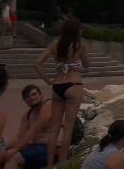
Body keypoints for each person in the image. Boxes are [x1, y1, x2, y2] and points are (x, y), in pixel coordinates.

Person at [36, 17, 90, 169]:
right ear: (76, 30)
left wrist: (47, 80)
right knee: (68, 127)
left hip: (57, 86)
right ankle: (62, 163)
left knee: (54, 127)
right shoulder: (80, 45)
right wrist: (77, 65)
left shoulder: (55, 45)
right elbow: (87, 64)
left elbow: (37, 63)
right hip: (73, 85)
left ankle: (48, 164)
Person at [7, 84, 56, 169]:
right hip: (34, 148)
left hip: (50, 149)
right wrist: (3, 148)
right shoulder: (27, 115)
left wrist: (15, 149)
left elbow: (35, 129)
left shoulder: (49, 105)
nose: (31, 98)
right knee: (4, 156)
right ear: (25, 101)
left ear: (41, 95)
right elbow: (19, 137)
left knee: (15, 157)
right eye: (27, 97)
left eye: (34, 94)